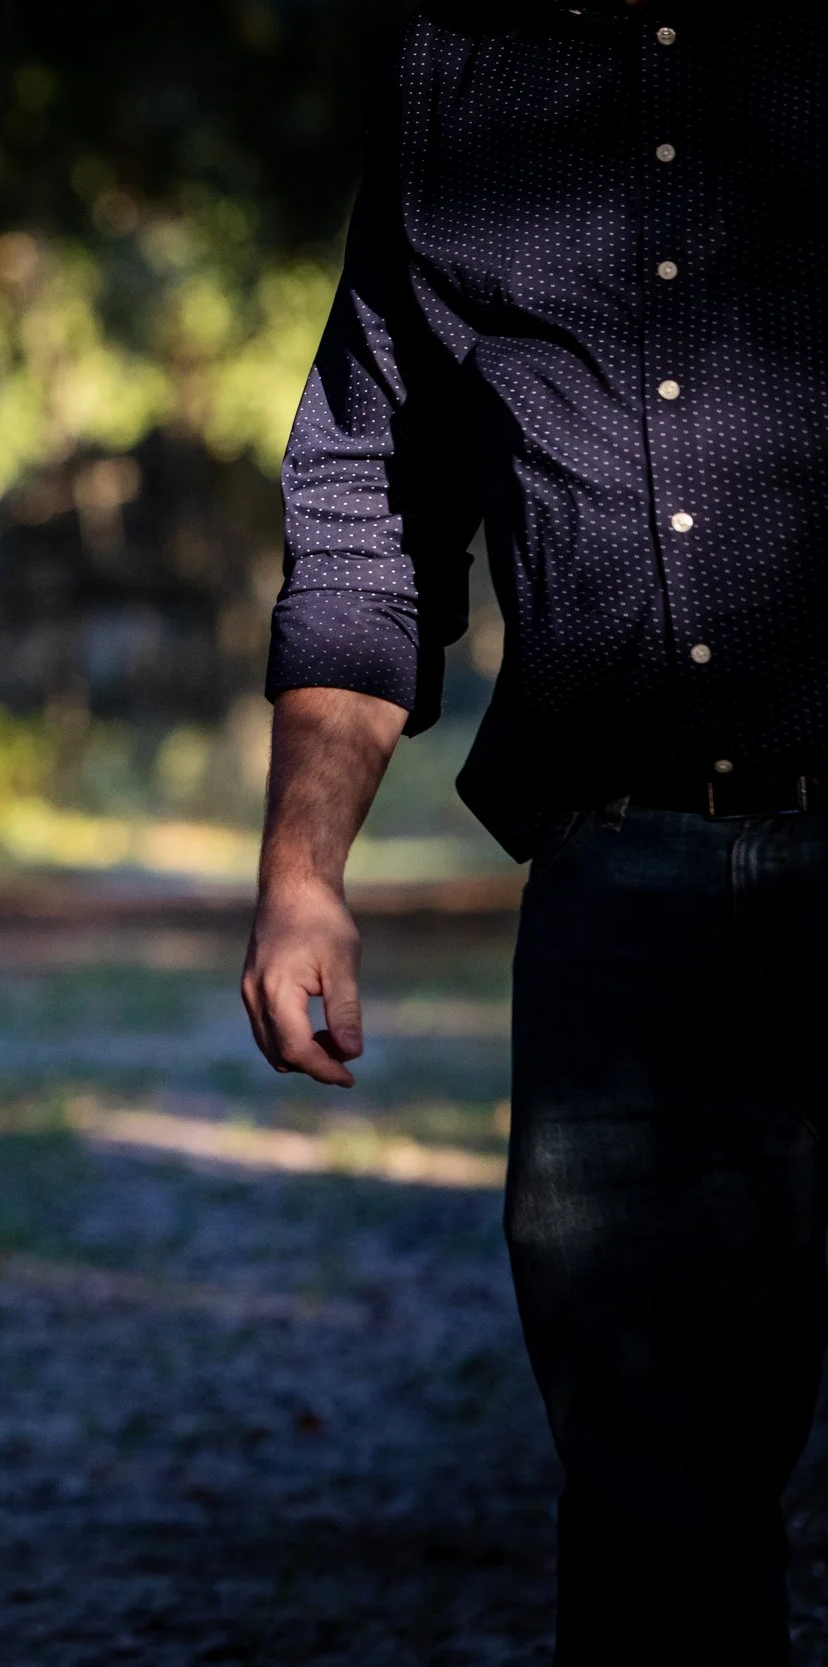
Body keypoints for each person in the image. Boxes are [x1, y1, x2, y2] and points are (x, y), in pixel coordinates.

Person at [238, 4, 828, 1660]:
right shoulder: (451, 76)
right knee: (654, 1518)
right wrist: (300, 879)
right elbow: (363, 509)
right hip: (619, 907)